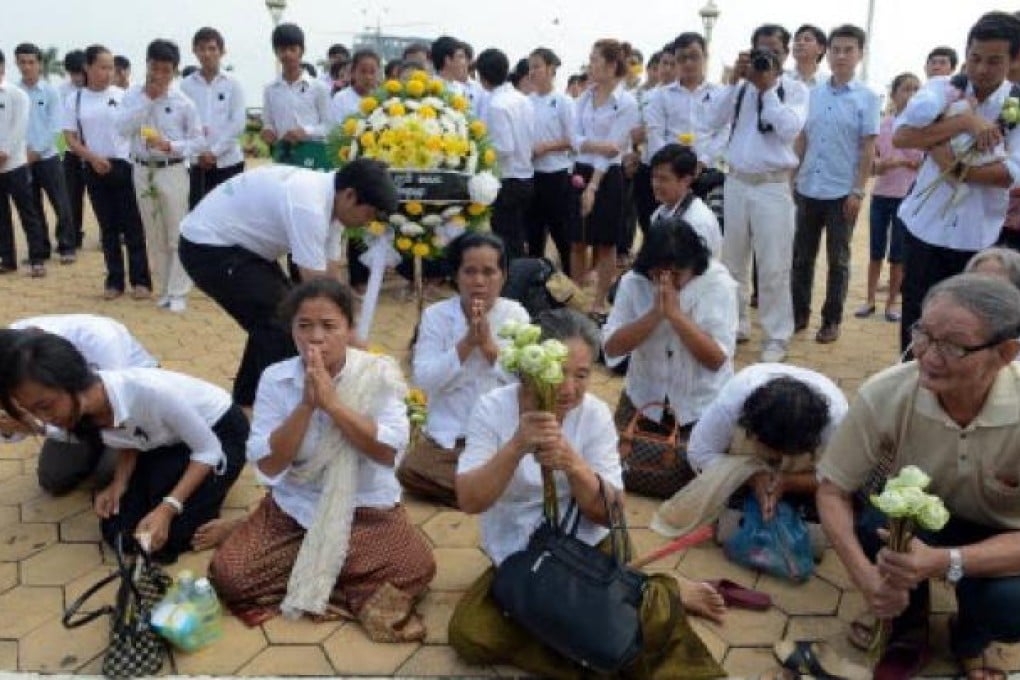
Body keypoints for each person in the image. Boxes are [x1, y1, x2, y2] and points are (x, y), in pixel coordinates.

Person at [448, 308, 727, 679]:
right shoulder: (493, 409)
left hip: (587, 548)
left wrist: (575, 465)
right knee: (471, 635)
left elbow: (609, 512)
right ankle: (615, 623)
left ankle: (660, 593)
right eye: (558, 372)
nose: (568, 389)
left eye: (581, 375)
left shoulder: (593, 415)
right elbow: (469, 500)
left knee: (631, 631)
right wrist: (516, 445)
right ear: (529, 368)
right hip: (521, 556)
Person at [817, 274, 1020, 680]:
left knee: (1009, 606)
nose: (928, 355)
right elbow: (832, 489)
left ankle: (971, 634)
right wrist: (865, 576)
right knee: (876, 523)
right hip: (923, 521)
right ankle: (907, 623)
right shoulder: (888, 392)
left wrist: (946, 561)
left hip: (1001, 540)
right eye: (923, 334)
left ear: (1005, 352)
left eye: (953, 345)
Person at [208, 279, 435, 639]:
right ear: (292, 331)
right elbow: (268, 465)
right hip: (296, 507)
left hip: (364, 510)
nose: (316, 338)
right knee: (231, 576)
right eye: (304, 326)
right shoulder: (275, 378)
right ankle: (337, 584)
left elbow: (388, 451)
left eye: (329, 326)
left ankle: (309, 579)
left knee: (416, 567)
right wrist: (307, 405)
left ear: (348, 329)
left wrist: (333, 405)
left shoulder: (377, 374)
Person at [0, 332, 247, 564]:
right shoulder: (87, 411)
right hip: (164, 441)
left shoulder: (148, 392)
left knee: (171, 537)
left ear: (71, 382)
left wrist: (168, 507)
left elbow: (208, 450)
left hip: (218, 433)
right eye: (32, 411)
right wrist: (119, 483)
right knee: (117, 529)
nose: (43, 417)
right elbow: (131, 437)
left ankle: (232, 525)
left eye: (45, 406)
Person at [179, 159, 398, 408]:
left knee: (276, 314)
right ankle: (281, 410)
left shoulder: (333, 201)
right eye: (368, 214)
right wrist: (350, 338)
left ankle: (246, 401)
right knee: (285, 325)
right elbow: (316, 288)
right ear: (350, 195)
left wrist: (349, 327)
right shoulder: (309, 205)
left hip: (243, 248)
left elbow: (331, 272)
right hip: (209, 246)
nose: (367, 222)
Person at [894, 12, 1020, 353]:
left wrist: (947, 161)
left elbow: (1007, 176)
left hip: (974, 236)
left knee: (965, 325)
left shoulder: (1016, 104)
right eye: (975, 58)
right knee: (916, 318)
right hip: (924, 226)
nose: (981, 69)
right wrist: (964, 122)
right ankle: (911, 384)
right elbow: (904, 137)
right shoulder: (942, 88)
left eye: (994, 61)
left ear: (1013, 60)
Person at [652, 363, 846, 553]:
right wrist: (751, 476)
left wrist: (787, 483)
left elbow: (840, 480)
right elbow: (698, 452)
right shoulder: (732, 402)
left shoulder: (837, 423)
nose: (775, 460)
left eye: (783, 454)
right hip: (745, 460)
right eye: (770, 451)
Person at [396, 232, 529, 506]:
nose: (479, 281)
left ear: (503, 276)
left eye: (489, 272)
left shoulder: (515, 314)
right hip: (451, 438)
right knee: (410, 469)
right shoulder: (436, 316)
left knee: (532, 457)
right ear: (456, 275)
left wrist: (490, 348)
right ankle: (492, 492)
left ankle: (481, 491)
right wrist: (467, 344)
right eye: (469, 271)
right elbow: (424, 379)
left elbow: (526, 380)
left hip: (502, 437)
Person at [603, 217, 736, 488]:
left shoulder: (717, 283)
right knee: (616, 469)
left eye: (676, 275)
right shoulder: (633, 282)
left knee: (697, 479)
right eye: (658, 274)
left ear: (693, 267)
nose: (666, 282)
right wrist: (654, 316)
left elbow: (716, 360)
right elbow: (612, 348)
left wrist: (676, 317)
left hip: (699, 404)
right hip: (644, 398)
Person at [708, 24, 808, 362]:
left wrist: (766, 89)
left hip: (772, 185)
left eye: (774, 52)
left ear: (784, 54)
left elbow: (788, 130)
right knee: (732, 261)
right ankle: (736, 324)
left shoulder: (794, 90)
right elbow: (711, 119)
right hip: (736, 181)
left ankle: (777, 336)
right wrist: (734, 80)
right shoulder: (738, 90)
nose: (767, 59)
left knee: (774, 265)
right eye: (760, 52)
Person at [792, 24, 881, 344]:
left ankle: (831, 320)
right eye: (836, 49)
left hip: (842, 193)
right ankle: (799, 314)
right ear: (827, 53)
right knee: (801, 257)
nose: (841, 55)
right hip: (807, 188)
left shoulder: (867, 98)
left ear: (859, 54)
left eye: (848, 50)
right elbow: (803, 138)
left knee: (838, 261)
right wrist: (793, 178)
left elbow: (868, 148)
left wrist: (858, 190)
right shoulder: (812, 94)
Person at [0, 315, 157, 495]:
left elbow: (115, 406)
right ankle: (96, 448)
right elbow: (20, 417)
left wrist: (41, 427)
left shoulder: (101, 339)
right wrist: (11, 425)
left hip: (127, 409)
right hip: (72, 415)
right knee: (54, 478)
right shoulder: (9, 350)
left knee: (108, 472)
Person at [117, 39, 201, 313]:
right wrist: (147, 102)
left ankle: (179, 291)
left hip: (172, 169)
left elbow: (198, 141)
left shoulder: (183, 102)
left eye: (166, 70)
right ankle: (164, 288)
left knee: (176, 232)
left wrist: (171, 146)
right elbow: (122, 128)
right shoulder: (132, 95)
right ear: (147, 65)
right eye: (155, 68)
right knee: (154, 234)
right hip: (142, 169)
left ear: (174, 71)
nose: (159, 75)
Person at [62, 44, 152, 301]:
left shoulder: (123, 95)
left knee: (133, 225)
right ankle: (114, 281)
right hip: (94, 167)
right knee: (108, 227)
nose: (107, 72)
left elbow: (140, 128)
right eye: (102, 67)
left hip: (125, 166)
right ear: (88, 68)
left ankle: (141, 281)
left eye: (111, 67)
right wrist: (92, 158)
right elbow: (70, 138)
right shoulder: (75, 99)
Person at [570, 39, 640, 319]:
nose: (590, 65)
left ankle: (599, 300)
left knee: (606, 241)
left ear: (611, 65)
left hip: (608, 174)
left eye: (595, 59)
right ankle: (575, 295)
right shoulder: (584, 97)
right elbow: (574, 138)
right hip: (579, 168)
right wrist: (594, 145)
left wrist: (594, 185)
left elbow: (615, 148)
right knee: (576, 238)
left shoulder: (626, 102)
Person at [645, 33, 729, 230]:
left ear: (705, 57)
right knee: (671, 233)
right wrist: (671, 167)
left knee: (709, 229)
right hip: (673, 177)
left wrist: (702, 161)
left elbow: (724, 131)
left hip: (708, 173)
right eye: (682, 58)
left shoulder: (720, 94)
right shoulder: (660, 96)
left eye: (694, 56)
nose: (689, 63)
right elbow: (656, 134)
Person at [856, 73, 922, 323]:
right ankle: (869, 300)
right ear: (894, 94)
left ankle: (892, 304)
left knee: (898, 255)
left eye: (917, 89)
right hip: (881, 196)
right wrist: (883, 164)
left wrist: (904, 161)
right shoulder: (883, 125)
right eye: (906, 89)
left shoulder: (925, 128)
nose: (912, 94)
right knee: (875, 251)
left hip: (908, 198)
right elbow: (870, 163)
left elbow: (926, 163)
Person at [15, 43, 76, 265]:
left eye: (31, 62)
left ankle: (67, 245)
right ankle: (39, 250)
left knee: (61, 203)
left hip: (49, 157)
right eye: (22, 62)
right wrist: (23, 153)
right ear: (16, 63)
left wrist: (37, 151)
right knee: (32, 207)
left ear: (39, 64)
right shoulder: (14, 92)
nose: (27, 67)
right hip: (21, 159)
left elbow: (55, 126)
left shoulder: (51, 92)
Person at [477, 47, 535, 262]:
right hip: (526, 176)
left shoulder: (496, 105)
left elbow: (504, 148)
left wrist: (479, 152)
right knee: (517, 238)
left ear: (481, 77)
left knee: (508, 242)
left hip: (507, 181)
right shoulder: (522, 99)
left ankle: (513, 285)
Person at [181, 27, 246, 210]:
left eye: (212, 48)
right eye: (202, 49)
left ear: (222, 51)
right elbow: (183, 123)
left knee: (229, 212)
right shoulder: (185, 86)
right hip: (197, 163)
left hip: (229, 162)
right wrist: (198, 153)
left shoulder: (234, 84)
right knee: (198, 212)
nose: (207, 54)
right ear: (194, 51)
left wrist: (214, 152)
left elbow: (237, 123)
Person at [0, 48, 48, 277]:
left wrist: (4, 153)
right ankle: (7, 260)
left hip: (15, 164)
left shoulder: (16, 94)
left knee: (28, 212)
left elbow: (19, 128)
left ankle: (37, 259)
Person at [526, 47, 574, 271]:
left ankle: (570, 278)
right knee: (533, 232)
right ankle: (536, 279)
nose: (532, 72)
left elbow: (573, 140)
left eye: (537, 66)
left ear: (551, 69)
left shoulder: (563, 102)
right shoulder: (527, 101)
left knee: (561, 231)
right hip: (531, 173)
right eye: (530, 67)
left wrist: (547, 147)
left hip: (556, 175)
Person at [261, 24, 332, 159]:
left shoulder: (319, 88)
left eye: (292, 49)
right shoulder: (270, 90)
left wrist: (306, 131)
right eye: (282, 49)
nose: (287, 54)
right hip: (283, 155)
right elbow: (268, 122)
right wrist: (268, 131)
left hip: (312, 154)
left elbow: (329, 127)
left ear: (302, 51)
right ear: (276, 52)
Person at [648, 144, 722, 256]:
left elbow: (696, 271)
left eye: (663, 179)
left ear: (686, 181)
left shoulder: (698, 223)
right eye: (654, 177)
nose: (656, 184)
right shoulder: (660, 212)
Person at [60, 49, 87, 249]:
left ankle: (107, 235)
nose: (76, 77)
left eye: (79, 72)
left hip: (95, 151)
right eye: (72, 73)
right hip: (72, 152)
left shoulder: (97, 89)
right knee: (71, 197)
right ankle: (72, 235)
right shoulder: (62, 91)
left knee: (101, 198)